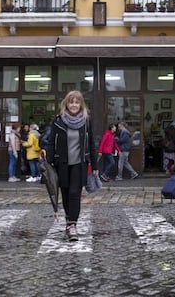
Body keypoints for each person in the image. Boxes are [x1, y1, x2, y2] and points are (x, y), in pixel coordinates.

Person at [47, 90, 98, 242]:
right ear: (66, 104)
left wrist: (94, 164)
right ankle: (69, 221)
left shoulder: (86, 121)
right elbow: (51, 142)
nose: (74, 105)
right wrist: (49, 162)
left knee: (75, 193)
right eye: (71, 102)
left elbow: (91, 144)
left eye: (77, 102)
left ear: (81, 104)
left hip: (80, 164)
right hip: (61, 163)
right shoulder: (58, 121)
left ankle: (72, 225)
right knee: (66, 194)